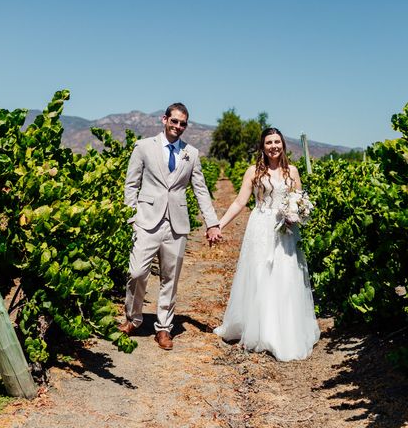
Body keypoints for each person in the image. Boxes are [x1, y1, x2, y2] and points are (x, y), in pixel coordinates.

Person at [119, 102, 222, 350]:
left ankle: (164, 328)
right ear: (164, 119)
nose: (178, 126)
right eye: (174, 121)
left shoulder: (192, 154)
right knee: (136, 273)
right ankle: (133, 319)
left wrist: (212, 223)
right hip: (146, 220)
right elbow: (131, 185)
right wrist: (131, 217)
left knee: (170, 278)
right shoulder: (143, 147)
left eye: (183, 123)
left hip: (177, 224)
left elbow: (201, 190)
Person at [214, 127, 320, 361]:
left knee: (285, 276)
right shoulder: (253, 171)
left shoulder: (292, 170)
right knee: (261, 275)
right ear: (262, 147)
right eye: (269, 142)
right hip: (261, 227)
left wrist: (296, 215)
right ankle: (261, 330)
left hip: (285, 231)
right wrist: (219, 225)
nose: (274, 146)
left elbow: (300, 201)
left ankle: (283, 331)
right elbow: (240, 202)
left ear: (283, 144)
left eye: (277, 142)